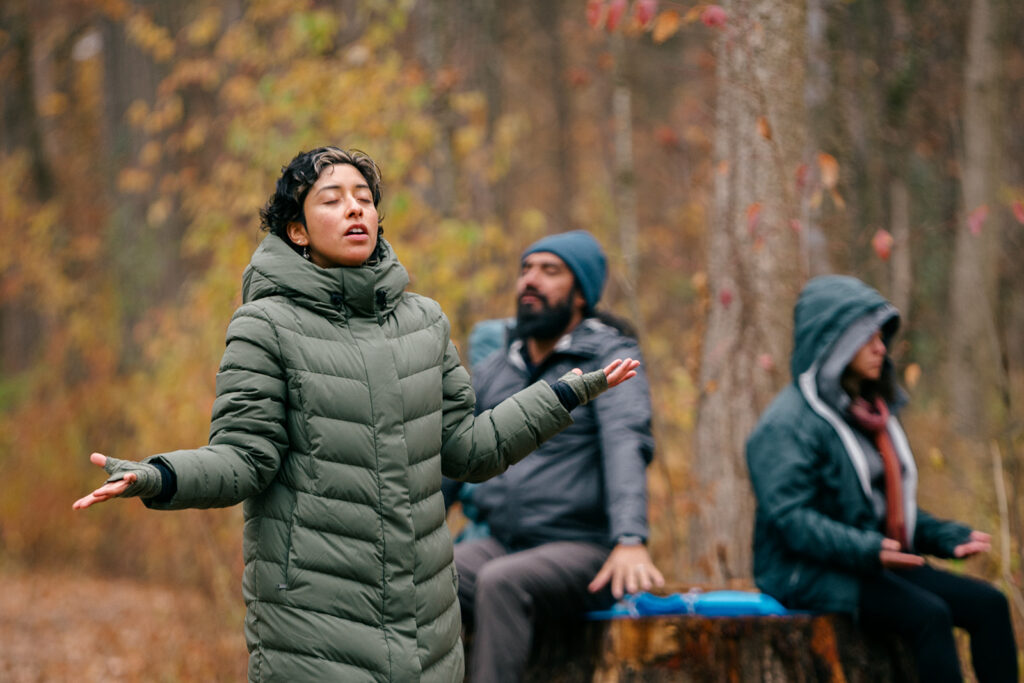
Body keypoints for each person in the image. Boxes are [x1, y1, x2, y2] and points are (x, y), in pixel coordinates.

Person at [71, 147, 642, 683]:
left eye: (364, 197)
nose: (354, 208)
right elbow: (244, 458)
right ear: (296, 231)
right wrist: (159, 475)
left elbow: (468, 449)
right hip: (314, 622)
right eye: (332, 198)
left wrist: (560, 395)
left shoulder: (425, 322)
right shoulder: (264, 325)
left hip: (426, 624)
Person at [746, 274, 1017, 683]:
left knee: (990, 605)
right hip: (802, 571)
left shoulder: (866, 412)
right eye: (865, 337)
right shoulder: (786, 425)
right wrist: (870, 549)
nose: (880, 347)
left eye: (881, 336)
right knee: (929, 616)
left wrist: (944, 536)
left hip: (866, 560)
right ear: (831, 343)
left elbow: (877, 510)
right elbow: (793, 523)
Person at [444, 230, 664, 683]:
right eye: (526, 269)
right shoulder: (496, 369)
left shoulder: (610, 358)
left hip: (584, 549)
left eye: (550, 271)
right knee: (422, 572)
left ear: (581, 293)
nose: (531, 281)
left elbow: (626, 440)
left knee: (502, 582)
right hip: (503, 542)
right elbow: (456, 454)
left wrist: (629, 538)